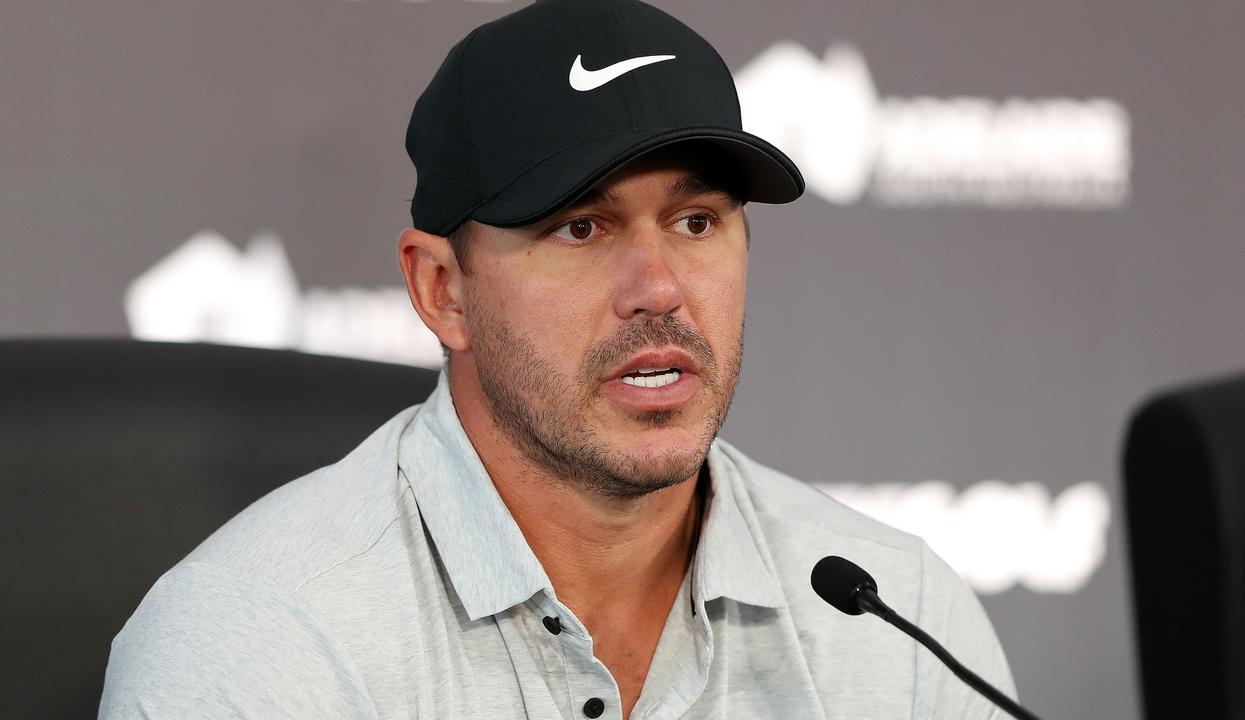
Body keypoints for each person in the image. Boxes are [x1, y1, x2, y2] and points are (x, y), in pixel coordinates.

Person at [100, 0, 1015, 718]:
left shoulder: (897, 618)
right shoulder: (262, 642)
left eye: (697, 223)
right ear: (442, 291)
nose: (658, 287)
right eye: (582, 227)